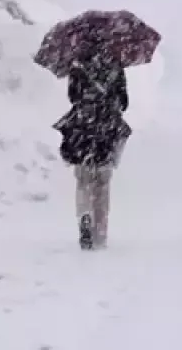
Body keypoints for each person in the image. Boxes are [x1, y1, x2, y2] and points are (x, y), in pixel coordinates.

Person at [52, 49, 131, 250]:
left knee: (83, 181)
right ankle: (100, 231)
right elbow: (124, 102)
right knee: (102, 185)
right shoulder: (115, 66)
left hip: (82, 132)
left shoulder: (78, 65)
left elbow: (73, 97)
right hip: (106, 132)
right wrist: (109, 102)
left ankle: (84, 216)